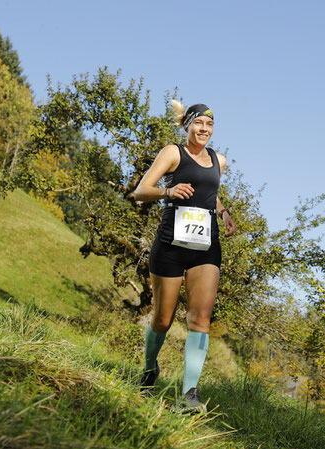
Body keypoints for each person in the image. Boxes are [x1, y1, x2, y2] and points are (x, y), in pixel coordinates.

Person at [132, 101, 236, 413]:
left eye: (209, 125)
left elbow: (208, 190)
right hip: (171, 245)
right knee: (162, 319)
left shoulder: (219, 160)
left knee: (200, 318)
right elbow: (140, 190)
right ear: (187, 125)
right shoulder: (173, 152)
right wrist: (168, 192)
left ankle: (189, 394)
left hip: (206, 247)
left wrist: (223, 211)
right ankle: (149, 371)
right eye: (199, 124)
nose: (204, 129)